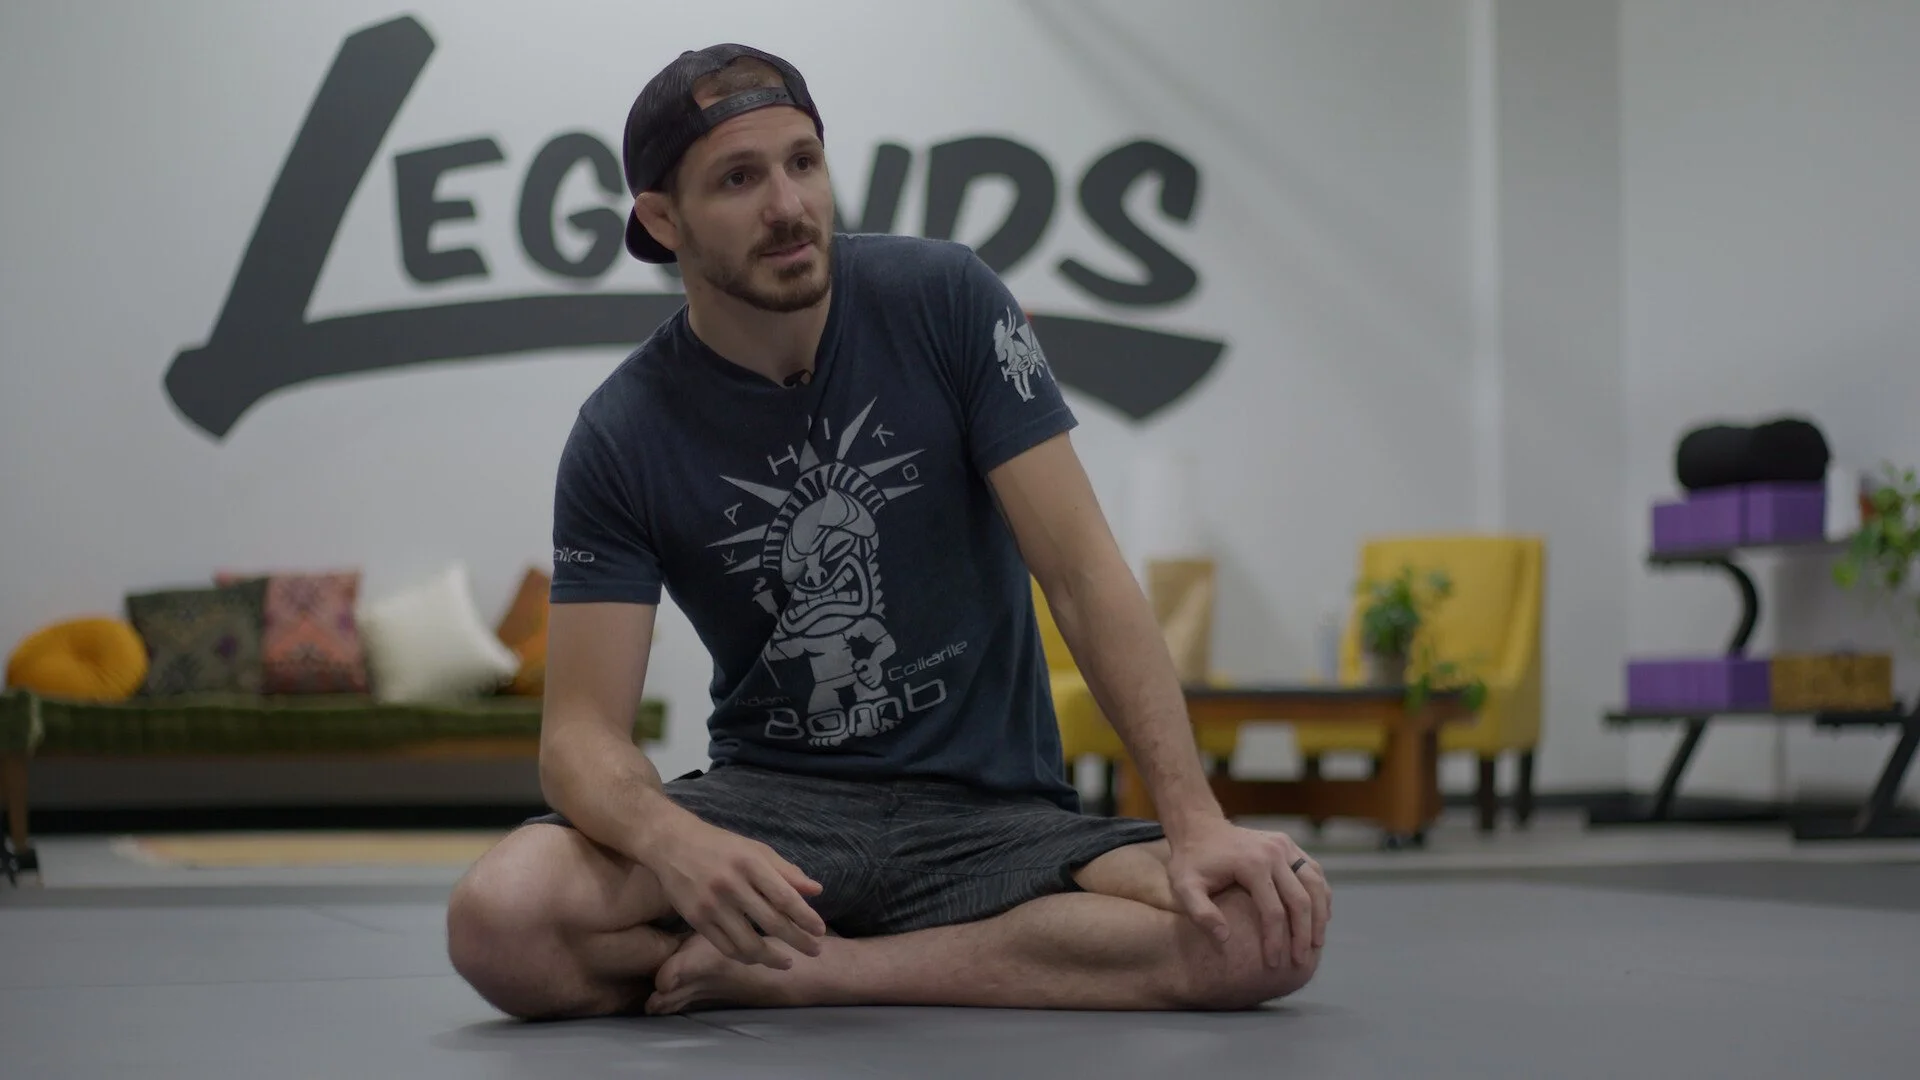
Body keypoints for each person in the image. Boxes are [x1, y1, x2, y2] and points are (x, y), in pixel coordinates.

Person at [445, 43, 1331, 1019]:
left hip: (992, 818)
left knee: (1266, 927)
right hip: (776, 815)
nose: (788, 205)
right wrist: (677, 844)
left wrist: (1194, 819)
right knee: (501, 922)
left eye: (804, 161)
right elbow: (577, 739)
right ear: (662, 219)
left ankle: (820, 969)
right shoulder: (621, 433)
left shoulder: (947, 302)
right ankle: (852, 942)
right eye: (739, 178)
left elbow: (1081, 574)